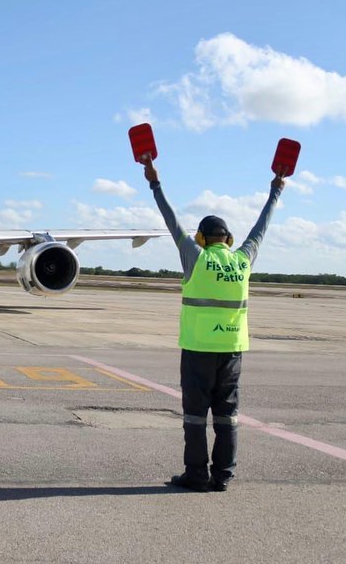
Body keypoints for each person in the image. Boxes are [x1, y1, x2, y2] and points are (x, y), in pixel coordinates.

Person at [142, 155, 285, 492]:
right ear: (229, 238)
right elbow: (261, 229)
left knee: (195, 416)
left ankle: (196, 474)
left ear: (203, 239)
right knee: (227, 417)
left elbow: (170, 220)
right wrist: (275, 191)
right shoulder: (243, 259)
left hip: (198, 349)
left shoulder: (196, 257)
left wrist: (154, 182)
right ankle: (222, 476)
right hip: (233, 351)